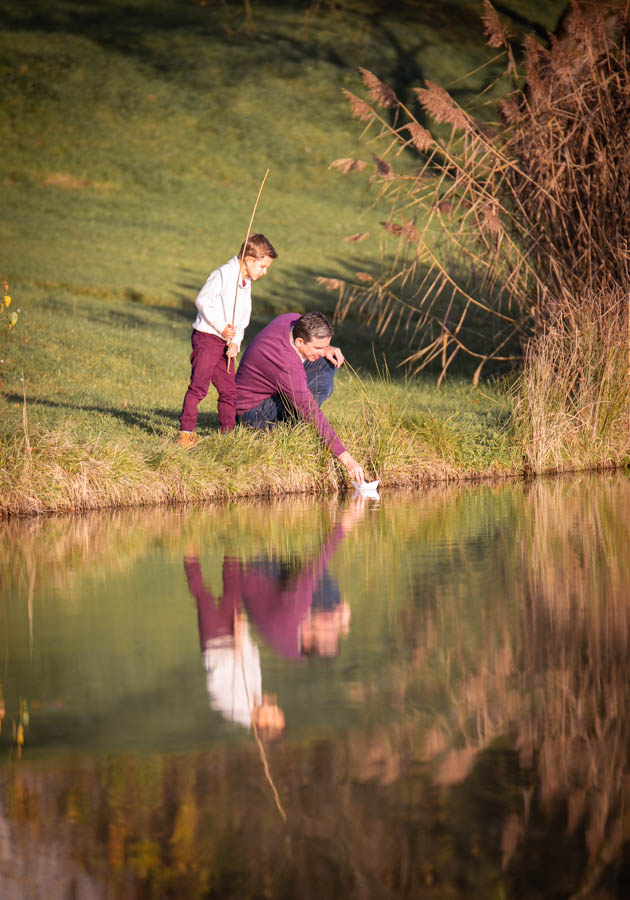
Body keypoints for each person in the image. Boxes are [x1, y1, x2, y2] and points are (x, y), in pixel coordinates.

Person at [235, 311, 365, 483]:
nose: (321, 351)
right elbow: (310, 410)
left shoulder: (292, 320)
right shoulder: (286, 365)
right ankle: (293, 427)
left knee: (328, 360)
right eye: (318, 348)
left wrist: (327, 349)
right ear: (299, 342)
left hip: (270, 390)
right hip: (253, 414)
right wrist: (347, 460)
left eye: (324, 346)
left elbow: (319, 351)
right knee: (318, 389)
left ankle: (297, 422)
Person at [178, 233, 277, 447]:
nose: (264, 272)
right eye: (262, 266)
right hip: (207, 338)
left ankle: (228, 436)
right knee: (199, 386)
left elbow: (241, 321)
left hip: (224, 343)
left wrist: (235, 342)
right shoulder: (223, 274)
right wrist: (221, 326)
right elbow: (203, 301)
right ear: (249, 260)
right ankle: (186, 432)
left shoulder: (245, 283)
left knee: (229, 390)